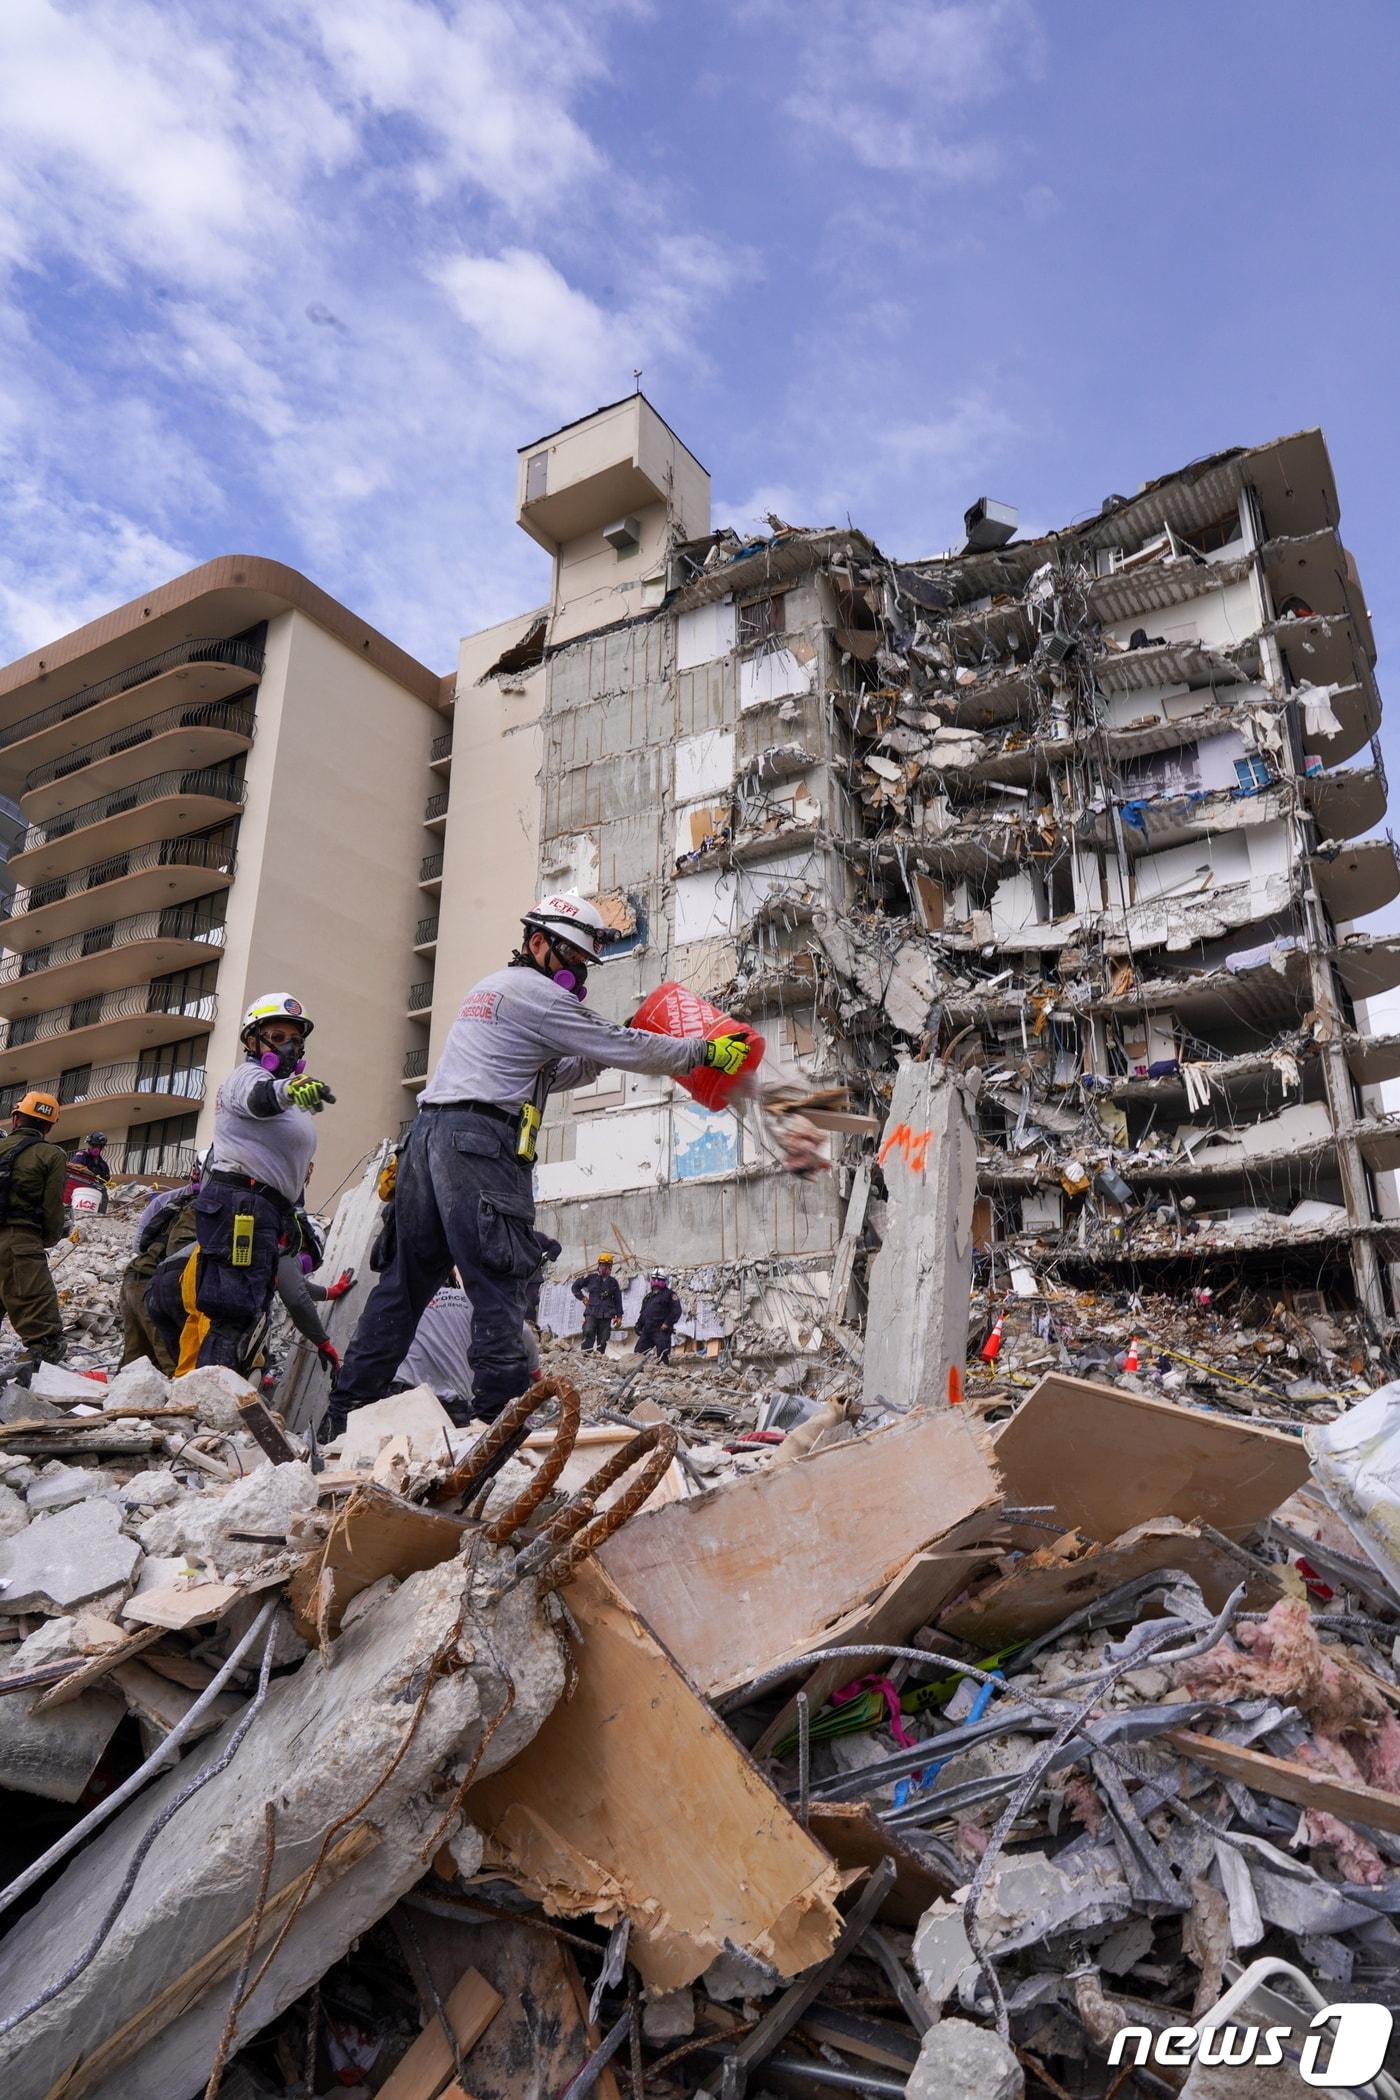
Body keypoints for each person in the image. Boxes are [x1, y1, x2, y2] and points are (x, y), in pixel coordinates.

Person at [322, 892, 755, 1440]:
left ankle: (344, 1418)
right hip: (478, 1147)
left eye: (584, 962)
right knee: (498, 1283)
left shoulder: (493, 990)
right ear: (536, 942)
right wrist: (701, 1052)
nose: (577, 970)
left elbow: (557, 1072)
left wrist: (608, 1049)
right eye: (571, 957)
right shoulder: (539, 995)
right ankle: (500, 1425)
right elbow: (619, 1045)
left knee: (403, 1288)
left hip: (427, 1141)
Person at [182, 993, 335, 1372]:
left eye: (295, 1040)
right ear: (253, 1041)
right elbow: (258, 1099)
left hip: (263, 1208)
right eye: (278, 1037)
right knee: (234, 1311)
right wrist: (290, 1089)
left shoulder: (284, 1090)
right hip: (241, 1204)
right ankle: (209, 1396)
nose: (289, 1047)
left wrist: (292, 1213)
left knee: (251, 1312)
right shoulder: (248, 1077)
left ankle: (227, 1392)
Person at [0, 1091, 69, 1369]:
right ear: (49, 1126)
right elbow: (53, 1209)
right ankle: (23, 1385)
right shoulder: (51, 1155)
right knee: (46, 1340)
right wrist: (47, 1239)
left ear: (16, 1119)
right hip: (21, 1244)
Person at [119, 1161, 203, 1371]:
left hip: (134, 1276)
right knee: (173, 1361)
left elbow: (140, 1243)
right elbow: (178, 1250)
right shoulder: (201, 1208)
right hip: (151, 1285)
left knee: (135, 1361)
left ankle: (121, 1391)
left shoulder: (174, 1202)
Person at [572, 1251, 622, 1354]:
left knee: (603, 1338)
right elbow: (575, 1287)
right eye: (602, 1265)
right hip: (591, 1312)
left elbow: (618, 1300)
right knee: (588, 1331)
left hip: (606, 1314)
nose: (604, 1268)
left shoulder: (613, 1282)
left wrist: (619, 1316)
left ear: (610, 1267)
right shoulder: (591, 1278)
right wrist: (582, 1298)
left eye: (606, 1266)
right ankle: (586, 1355)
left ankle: (599, 1357)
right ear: (598, 1265)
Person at [634, 1272, 682, 1363]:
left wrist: (667, 1323)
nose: (656, 1282)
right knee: (638, 1354)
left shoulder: (669, 1295)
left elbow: (676, 1311)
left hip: (661, 1330)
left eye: (659, 1280)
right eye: (654, 1279)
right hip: (647, 1330)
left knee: (663, 1354)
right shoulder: (648, 1297)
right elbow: (644, 1313)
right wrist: (638, 1325)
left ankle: (663, 1369)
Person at [64, 1132, 112, 1214]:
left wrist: (105, 1179)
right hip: (78, 1185)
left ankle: (99, 1215)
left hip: (93, 1189)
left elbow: (106, 1179)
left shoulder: (103, 1164)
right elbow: (74, 1168)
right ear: (89, 1145)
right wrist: (89, 1173)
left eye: (99, 1146)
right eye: (94, 1145)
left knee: (103, 1193)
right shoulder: (81, 1155)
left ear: (102, 1147)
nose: (96, 1148)